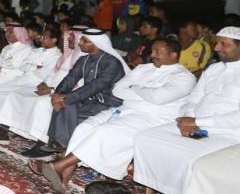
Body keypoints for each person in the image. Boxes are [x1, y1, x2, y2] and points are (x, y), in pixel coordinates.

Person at [33, 38, 195, 193]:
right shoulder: (143, 68)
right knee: (84, 127)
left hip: (152, 118)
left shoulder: (184, 77)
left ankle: (58, 166)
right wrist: (143, 92)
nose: (152, 55)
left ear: (173, 55)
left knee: (104, 132)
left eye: (157, 51)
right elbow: (118, 90)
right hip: (124, 110)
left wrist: (134, 88)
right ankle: (63, 178)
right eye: (152, 51)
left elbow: (159, 98)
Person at [132, 26, 240, 194]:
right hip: (195, 125)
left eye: (224, 44)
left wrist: (197, 122)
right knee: (145, 137)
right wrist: (187, 118)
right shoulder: (214, 69)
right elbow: (194, 98)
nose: (217, 48)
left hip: (234, 134)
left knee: (191, 157)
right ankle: (160, 185)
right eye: (217, 43)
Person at [42, 28, 128, 150]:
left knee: (67, 106)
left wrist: (64, 98)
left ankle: (62, 145)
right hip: (89, 100)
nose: (79, 43)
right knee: (65, 105)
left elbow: (95, 86)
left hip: (108, 102)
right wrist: (57, 94)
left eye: (84, 41)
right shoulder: (84, 59)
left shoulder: (112, 63)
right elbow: (70, 79)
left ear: (96, 43)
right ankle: (57, 143)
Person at [0, 27, 63, 141]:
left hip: (36, 83)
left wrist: (33, 66)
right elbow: (23, 66)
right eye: (42, 36)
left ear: (54, 40)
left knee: (12, 95)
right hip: (24, 78)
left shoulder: (57, 55)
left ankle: (4, 130)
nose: (41, 38)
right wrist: (35, 66)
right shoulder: (37, 50)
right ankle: (6, 122)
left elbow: (43, 73)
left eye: (45, 37)